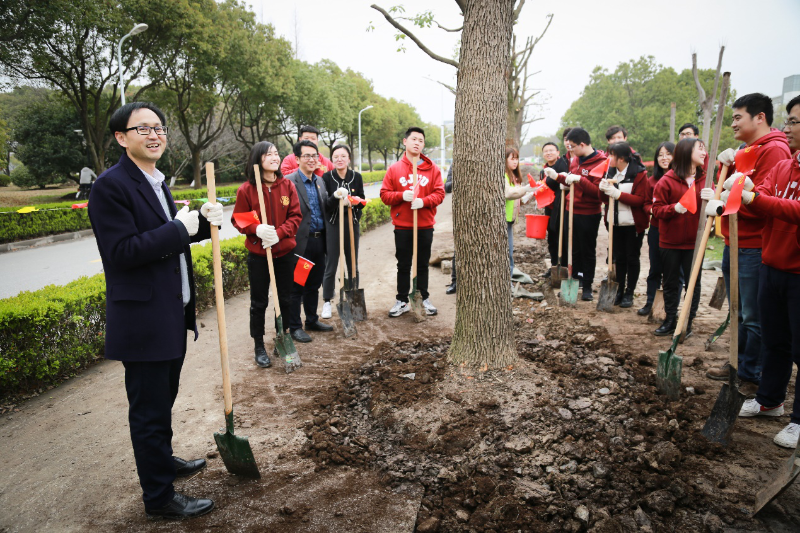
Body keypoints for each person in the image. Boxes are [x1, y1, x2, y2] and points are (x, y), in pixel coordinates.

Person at [88, 102, 222, 520]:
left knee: (163, 402)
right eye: (143, 128)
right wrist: (179, 229)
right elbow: (123, 251)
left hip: (170, 313)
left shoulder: (157, 181)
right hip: (143, 320)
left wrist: (199, 223)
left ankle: (162, 464)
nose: (155, 134)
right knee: (148, 411)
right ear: (121, 137)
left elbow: (168, 240)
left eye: (159, 127)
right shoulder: (111, 186)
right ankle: (159, 498)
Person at [716, 95, 800, 448]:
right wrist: (740, 186)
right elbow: (763, 192)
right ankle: (769, 400)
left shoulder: (775, 152)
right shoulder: (786, 166)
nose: (789, 127)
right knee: (777, 341)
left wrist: (754, 198)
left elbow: (786, 208)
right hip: (772, 263)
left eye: (795, 121)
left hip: (797, 270)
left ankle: (798, 420)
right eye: (790, 120)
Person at [703, 94, 791, 393]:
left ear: (760, 117)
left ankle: (751, 372)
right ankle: (738, 362)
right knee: (739, 310)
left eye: (738, 117)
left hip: (753, 244)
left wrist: (737, 197)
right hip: (734, 241)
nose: (733, 123)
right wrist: (721, 175)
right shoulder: (745, 149)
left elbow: (767, 202)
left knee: (753, 314)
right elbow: (731, 188)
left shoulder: (775, 151)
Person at [232, 141, 302, 367]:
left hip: (284, 253)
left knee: (284, 299)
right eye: (268, 154)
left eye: (276, 153)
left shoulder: (287, 186)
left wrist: (280, 233)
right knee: (258, 302)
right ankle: (259, 345)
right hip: (259, 256)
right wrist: (256, 229)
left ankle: (283, 336)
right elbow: (239, 218)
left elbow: (295, 216)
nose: (274, 157)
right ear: (257, 159)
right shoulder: (246, 189)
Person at [380, 126, 445, 317]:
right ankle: (401, 300)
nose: (417, 143)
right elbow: (384, 195)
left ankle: (423, 297)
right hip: (403, 226)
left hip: (424, 225)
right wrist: (402, 196)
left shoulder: (432, 169)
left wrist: (423, 201)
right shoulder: (394, 169)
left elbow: (440, 193)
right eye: (414, 139)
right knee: (403, 264)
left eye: (421, 140)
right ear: (405, 142)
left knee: (422, 263)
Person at [651, 137, 706, 337]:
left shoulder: (705, 180)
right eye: (699, 149)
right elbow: (656, 210)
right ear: (685, 152)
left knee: (694, 283)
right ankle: (670, 319)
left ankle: (687, 321)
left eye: (704, 149)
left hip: (695, 242)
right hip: (670, 242)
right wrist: (675, 208)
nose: (703, 152)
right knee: (671, 282)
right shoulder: (667, 181)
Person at [552, 127, 608, 301]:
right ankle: (574, 280)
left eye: (573, 147)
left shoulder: (601, 162)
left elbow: (598, 193)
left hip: (588, 212)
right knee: (573, 249)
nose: (571, 151)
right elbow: (571, 180)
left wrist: (581, 179)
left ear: (582, 144)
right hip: (571, 209)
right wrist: (558, 177)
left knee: (587, 250)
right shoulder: (575, 160)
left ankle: (588, 286)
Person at [285, 140, 333, 342]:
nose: (313, 159)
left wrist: (339, 199)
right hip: (300, 244)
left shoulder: (320, 182)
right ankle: (295, 326)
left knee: (314, 284)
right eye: (307, 156)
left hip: (319, 241)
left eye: (315, 156)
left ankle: (312, 319)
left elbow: (325, 209)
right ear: (297, 159)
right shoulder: (289, 182)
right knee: (297, 286)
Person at [598, 142, 651, 307]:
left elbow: (640, 200)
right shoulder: (609, 171)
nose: (608, 158)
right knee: (619, 258)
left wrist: (618, 194)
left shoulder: (639, 174)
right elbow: (605, 199)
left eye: (611, 155)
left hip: (633, 224)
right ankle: (619, 290)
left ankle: (630, 292)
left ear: (621, 158)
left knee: (632, 258)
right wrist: (602, 190)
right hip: (615, 223)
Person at [320, 144, 365, 319]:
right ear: (332, 159)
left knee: (352, 262)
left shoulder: (357, 177)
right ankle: (326, 301)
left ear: (349, 158)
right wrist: (335, 197)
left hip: (351, 223)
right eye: (336, 156)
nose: (339, 159)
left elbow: (362, 200)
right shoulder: (326, 177)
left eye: (343, 156)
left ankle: (354, 297)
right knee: (331, 263)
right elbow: (325, 205)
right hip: (333, 224)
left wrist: (353, 204)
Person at [638, 141, 675, 316]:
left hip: (674, 230)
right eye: (660, 154)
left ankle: (670, 307)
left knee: (672, 272)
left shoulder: (681, 180)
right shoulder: (651, 181)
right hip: (656, 229)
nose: (664, 158)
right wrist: (652, 209)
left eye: (668, 154)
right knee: (655, 269)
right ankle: (650, 302)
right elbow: (645, 203)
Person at [504, 147, 534, 277]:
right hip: (502, 219)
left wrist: (527, 196)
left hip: (510, 219)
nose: (515, 162)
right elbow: (509, 194)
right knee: (507, 252)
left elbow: (518, 199)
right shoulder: (503, 175)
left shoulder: (515, 177)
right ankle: (507, 281)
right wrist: (526, 189)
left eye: (517, 159)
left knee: (509, 252)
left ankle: (508, 281)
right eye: (512, 159)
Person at [540, 142, 569, 276]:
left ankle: (562, 265)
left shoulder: (562, 165)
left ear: (558, 152)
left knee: (560, 237)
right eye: (546, 151)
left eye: (551, 150)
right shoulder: (543, 171)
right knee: (551, 237)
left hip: (561, 207)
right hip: (549, 207)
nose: (549, 153)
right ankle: (553, 266)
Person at [445, 165, 457, 295]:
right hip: (460, 213)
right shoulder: (455, 164)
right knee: (457, 249)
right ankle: (455, 281)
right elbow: (447, 187)